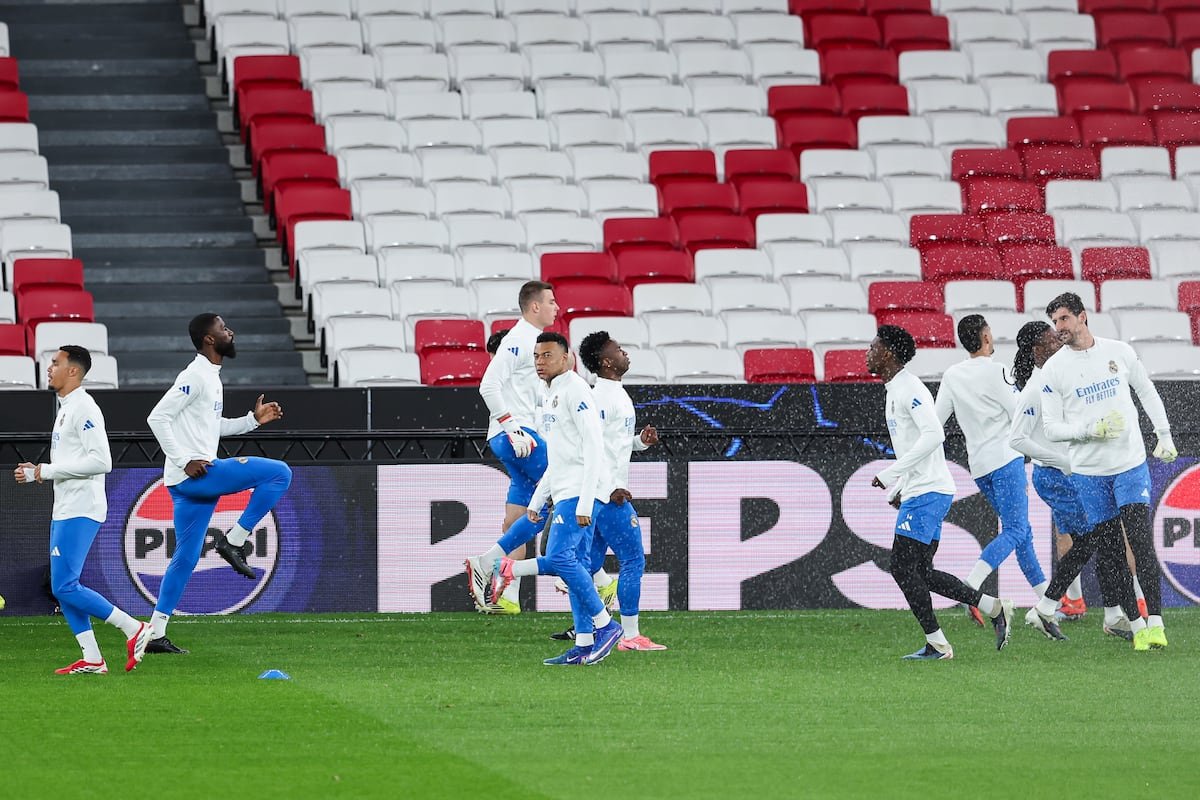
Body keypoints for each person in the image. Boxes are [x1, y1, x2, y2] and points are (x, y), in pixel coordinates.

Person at [496, 332, 665, 651]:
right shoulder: (598, 397)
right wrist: (610, 486)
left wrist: (640, 443)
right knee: (632, 560)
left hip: (599, 492)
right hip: (607, 495)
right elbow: (590, 449)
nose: (625, 353)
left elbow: (613, 444)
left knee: (580, 565)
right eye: (618, 350)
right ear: (606, 362)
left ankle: (516, 574)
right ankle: (629, 636)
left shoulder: (614, 395)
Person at [143, 313, 290, 654]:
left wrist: (252, 421)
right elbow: (157, 417)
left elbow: (212, 427)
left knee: (185, 558)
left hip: (185, 484)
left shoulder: (209, 376)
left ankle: (155, 634)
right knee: (279, 473)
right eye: (223, 328)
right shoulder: (195, 376)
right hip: (196, 475)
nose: (230, 331)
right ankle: (234, 541)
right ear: (209, 339)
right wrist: (184, 460)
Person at [1039, 292, 1177, 651]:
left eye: (1064, 318)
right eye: (1055, 321)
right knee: (1113, 553)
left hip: (1129, 464)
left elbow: (1146, 390)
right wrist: (1088, 430)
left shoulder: (1119, 351)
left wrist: (1164, 434)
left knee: (1140, 541)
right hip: (1088, 472)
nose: (1059, 327)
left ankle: (1156, 621)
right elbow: (1051, 428)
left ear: (1082, 317)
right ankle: (1136, 626)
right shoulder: (1053, 369)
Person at [867, 325, 1014, 660]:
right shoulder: (896, 389)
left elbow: (934, 434)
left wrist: (892, 474)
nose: (867, 353)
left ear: (889, 353)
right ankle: (993, 607)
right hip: (923, 489)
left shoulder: (909, 388)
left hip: (929, 492)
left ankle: (938, 644)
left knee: (902, 568)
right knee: (922, 573)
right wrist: (901, 485)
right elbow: (918, 445)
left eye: (873, 347)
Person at [14, 346, 151, 674]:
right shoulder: (67, 408)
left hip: (80, 507)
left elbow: (102, 461)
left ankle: (134, 628)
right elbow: (74, 460)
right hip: (66, 506)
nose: (49, 368)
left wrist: (45, 471)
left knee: (64, 586)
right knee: (64, 586)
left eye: (55, 363)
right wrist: (41, 472)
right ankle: (92, 658)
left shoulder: (84, 407)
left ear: (73, 371)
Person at [1007, 321, 1139, 642]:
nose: (1059, 343)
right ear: (1037, 350)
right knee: (1098, 538)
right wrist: (1061, 460)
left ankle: (1101, 613)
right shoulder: (1035, 388)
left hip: (1071, 474)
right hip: (1055, 476)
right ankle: (1053, 607)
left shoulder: (1056, 377)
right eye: (1052, 341)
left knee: (1097, 539)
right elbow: (1016, 439)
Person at [934, 314, 1048, 625]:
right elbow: (1018, 414)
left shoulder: (952, 375)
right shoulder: (997, 371)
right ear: (986, 337)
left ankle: (1048, 603)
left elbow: (935, 422)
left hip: (980, 467)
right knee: (1016, 530)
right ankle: (970, 588)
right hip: (1006, 461)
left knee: (1022, 532)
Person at [465, 281, 559, 614]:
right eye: (551, 301)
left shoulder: (533, 342)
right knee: (564, 492)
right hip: (519, 437)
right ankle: (595, 579)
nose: (557, 307)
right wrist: (513, 428)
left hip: (517, 437)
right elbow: (488, 385)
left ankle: (506, 593)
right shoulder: (518, 340)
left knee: (520, 516)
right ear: (535, 306)